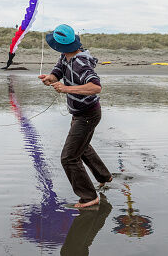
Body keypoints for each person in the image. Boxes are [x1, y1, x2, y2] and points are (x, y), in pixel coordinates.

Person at [38, 24, 111, 208]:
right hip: (79, 113)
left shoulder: (80, 63)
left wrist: (66, 88)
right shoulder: (65, 56)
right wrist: (51, 78)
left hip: (88, 114)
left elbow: (95, 86)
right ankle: (104, 176)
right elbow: (59, 71)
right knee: (82, 147)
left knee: (69, 158)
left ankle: (89, 197)